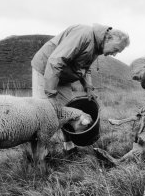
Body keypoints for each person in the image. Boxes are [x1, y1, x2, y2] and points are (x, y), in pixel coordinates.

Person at [31, 24, 130, 153]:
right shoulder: (83, 35)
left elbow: (85, 68)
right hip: (45, 70)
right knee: (44, 113)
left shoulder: (97, 46)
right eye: (116, 49)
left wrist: (88, 88)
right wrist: (51, 94)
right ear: (109, 38)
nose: (115, 54)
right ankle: (39, 155)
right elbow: (55, 61)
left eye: (118, 52)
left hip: (63, 76)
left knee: (66, 110)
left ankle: (69, 147)